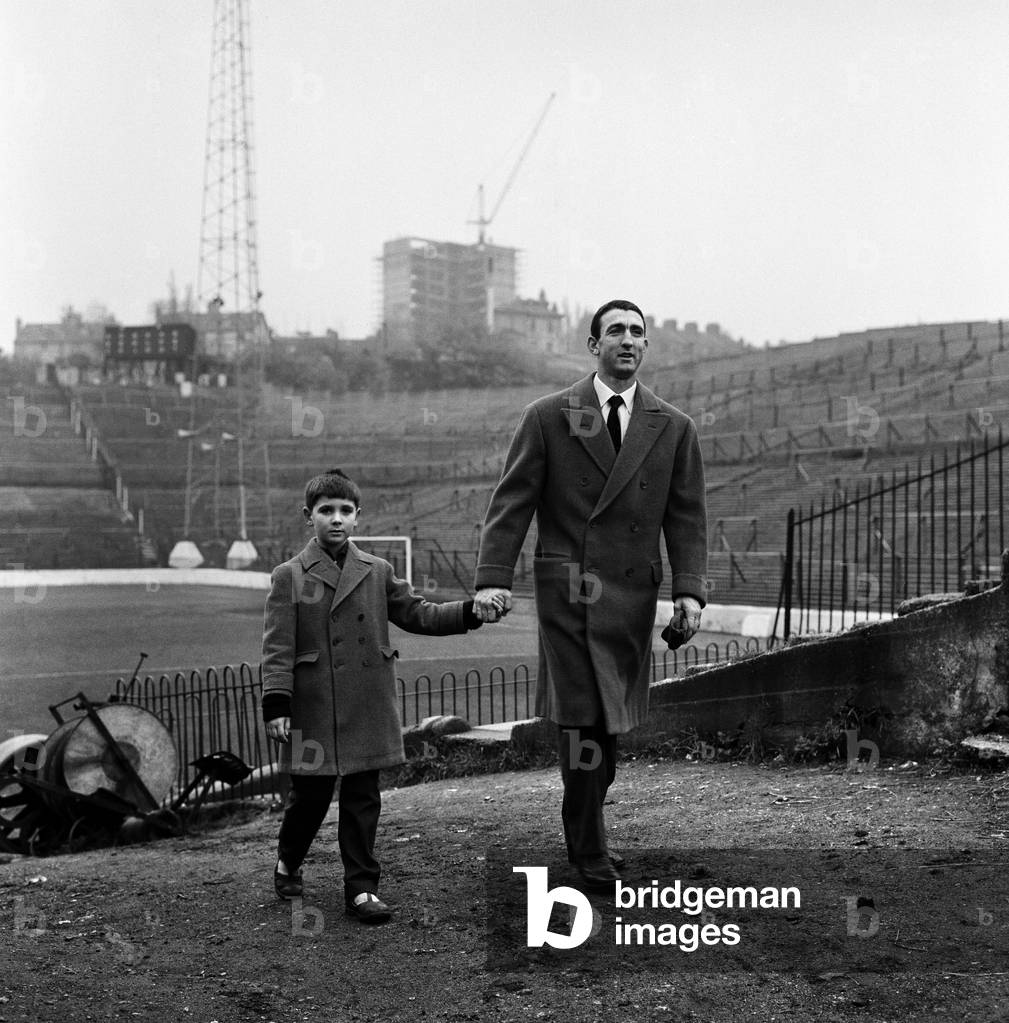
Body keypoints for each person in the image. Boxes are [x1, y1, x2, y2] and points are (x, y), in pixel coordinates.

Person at [473, 299, 708, 891]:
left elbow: (686, 519)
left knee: (607, 727)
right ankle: (588, 849)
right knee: (581, 721)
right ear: (592, 344)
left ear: (647, 346)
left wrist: (690, 593)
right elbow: (512, 503)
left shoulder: (673, 426)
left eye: (637, 332)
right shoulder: (549, 416)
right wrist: (493, 578)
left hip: (630, 597)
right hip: (568, 594)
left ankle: (587, 817)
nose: (627, 340)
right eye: (615, 332)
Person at [262, 468, 495, 923]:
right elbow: (277, 647)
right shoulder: (288, 576)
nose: (336, 519)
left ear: (357, 517)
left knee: (363, 797)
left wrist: (470, 612)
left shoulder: (376, 571)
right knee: (308, 799)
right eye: (326, 511)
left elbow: (419, 613)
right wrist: (276, 703)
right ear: (307, 517)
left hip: (367, 700)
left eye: (345, 511)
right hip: (315, 706)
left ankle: (362, 888)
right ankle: (288, 860)